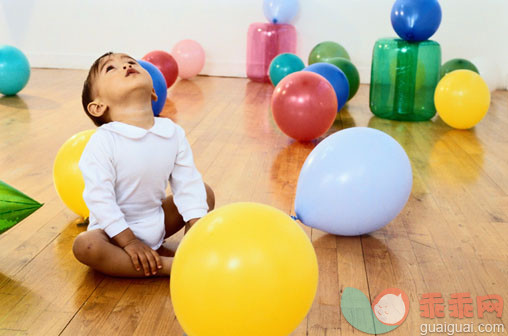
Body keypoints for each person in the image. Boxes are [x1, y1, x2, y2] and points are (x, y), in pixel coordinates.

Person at [72, 52, 214, 277]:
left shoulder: (172, 132)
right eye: (110, 68)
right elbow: (100, 198)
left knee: (203, 193)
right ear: (98, 107)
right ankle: (168, 267)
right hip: (113, 234)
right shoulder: (104, 140)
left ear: (153, 92)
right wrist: (128, 241)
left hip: (156, 219)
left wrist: (195, 230)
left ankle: (190, 254)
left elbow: (187, 183)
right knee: (85, 246)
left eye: (131, 62)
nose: (126, 65)